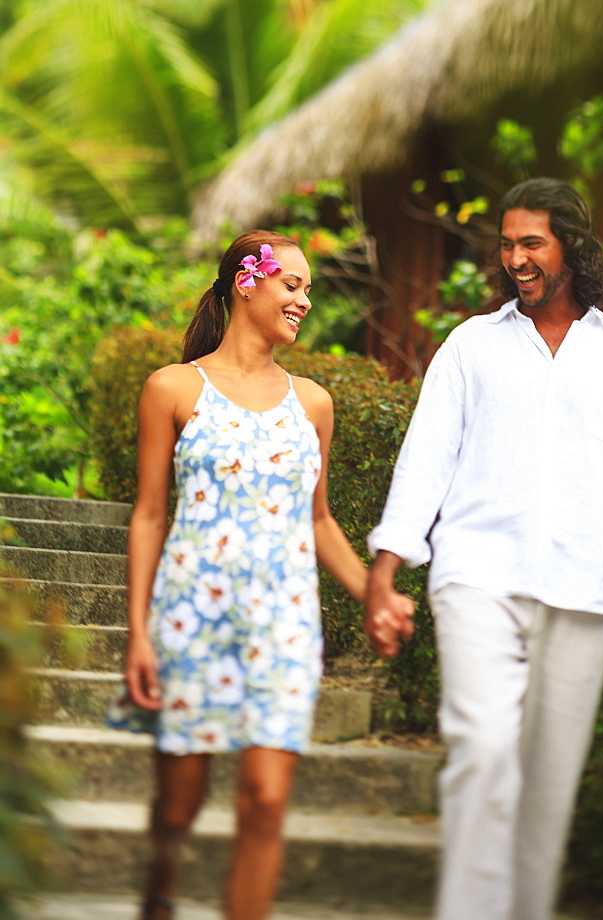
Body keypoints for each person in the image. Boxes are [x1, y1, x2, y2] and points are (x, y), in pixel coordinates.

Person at [364, 178, 603, 920]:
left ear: (572, 246)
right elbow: (425, 459)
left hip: (582, 587)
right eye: (506, 244)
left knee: (548, 787)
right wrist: (385, 567)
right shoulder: (471, 346)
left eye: (531, 242)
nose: (515, 258)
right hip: (477, 578)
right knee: (485, 750)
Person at [108, 229, 413, 920]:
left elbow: (320, 523)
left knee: (267, 803)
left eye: (308, 289)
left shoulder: (313, 403)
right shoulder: (172, 389)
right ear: (247, 283)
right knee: (180, 803)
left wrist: (377, 595)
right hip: (191, 621)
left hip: (283, 625)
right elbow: (150, 516)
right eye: (293, 284)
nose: (305, 300)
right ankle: (159, 885)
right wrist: (138, 633)